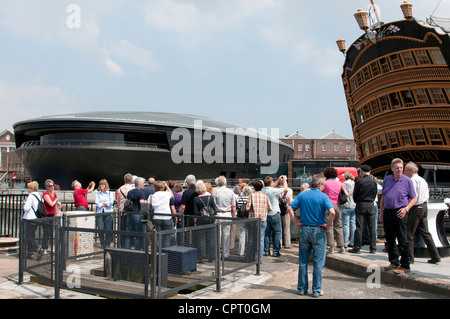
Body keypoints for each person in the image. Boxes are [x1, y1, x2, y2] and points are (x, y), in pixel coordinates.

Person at [286, 173, 335, 297]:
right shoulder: (323, 197)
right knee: (318, 263)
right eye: (323, 185)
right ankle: (316, 290)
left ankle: (302, 288)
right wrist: (328, 225)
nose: (324, 187)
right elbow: (332, 212)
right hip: (318, 230)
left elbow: (289, 208)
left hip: (305, 229)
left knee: (303, 261)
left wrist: (296, 222)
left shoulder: (302, 195)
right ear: (319, 185)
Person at [380, 158, 417, 274]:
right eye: (397, 168)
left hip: (400, 212)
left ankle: (405, 264)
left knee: (402, 239)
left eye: (401, 168)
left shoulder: (407, 181)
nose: (400, 170)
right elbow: (383, 197)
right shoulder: (387, 180)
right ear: (392, 169)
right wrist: (381, 212)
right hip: (388, 211)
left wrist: (406, 209)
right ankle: (394, 262)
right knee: (390, 238)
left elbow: (414, 198)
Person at [404, 162, 441, 264]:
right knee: (425, 232)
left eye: (406, 170)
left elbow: (413, 196)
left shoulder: (413, 181)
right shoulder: (422, 180)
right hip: (424, 206)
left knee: (409, 233)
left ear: (412, 171)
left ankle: (410, 258)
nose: (404, 172)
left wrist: (406, 207)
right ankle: (435, 256)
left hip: (416, 207)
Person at [349, 165, 378, 254]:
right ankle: (373, 247)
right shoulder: (373, 182)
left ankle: (357, 247)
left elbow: (355, 195)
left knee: (359, 227)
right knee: (372, 227)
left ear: (361, 171)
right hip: (370, 204)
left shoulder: (359, 181)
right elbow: (374, 193)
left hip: (361, 204)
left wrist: (357, 201)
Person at [246, 180, 272, 262]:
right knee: (261, 239)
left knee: (251, 238)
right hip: (262, 219)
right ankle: (259, 258)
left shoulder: (252, 196)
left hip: (253, 219)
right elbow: (270, 208)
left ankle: (251, 257)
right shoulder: (265, 196)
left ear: (254, 187)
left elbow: (247, 208)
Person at [262, 176, 287, 257]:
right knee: (277, 232)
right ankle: (275, 251)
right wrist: (284, 180)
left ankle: (266, 250)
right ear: (271, 183)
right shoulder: (273, 190)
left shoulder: (262, 190)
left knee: (267, 233)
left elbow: (270, 185)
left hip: (266, 214)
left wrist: (277, 180)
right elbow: (284, 188)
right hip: (275, 213)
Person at [193, 181, 218, 262]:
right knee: (211, 238)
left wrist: (195, 222)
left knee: (201, 239)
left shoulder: (196, 199)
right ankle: (212, 256)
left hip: (201, 219)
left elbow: (195, 212)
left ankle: (202, 257)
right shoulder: (210, 198)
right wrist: (215, 219)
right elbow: (215, 210)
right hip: (210, 219)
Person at [322, 167, 346, 254]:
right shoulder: (339, 183)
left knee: (329, 226)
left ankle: (331, 246)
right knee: (339, 225)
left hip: (328, 205)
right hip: (338, 205)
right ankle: (342, 246)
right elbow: (345, 193)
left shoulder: (324, 183)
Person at [212, 176, 236, 258]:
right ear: (226, 183)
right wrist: (234, 216)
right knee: (226, 235)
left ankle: (217, 252)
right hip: (228, 214)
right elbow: (233, 205)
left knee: (218, 235)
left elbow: (213, 205)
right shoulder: (231, 192)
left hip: (218, 214)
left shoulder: (215, 192)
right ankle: (226, 253)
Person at [151, 180, 176, 248]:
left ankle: (157, 253)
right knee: (166, 237)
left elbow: (150, 206)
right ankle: (166, 253)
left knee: (158, 236)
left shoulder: (152, 196)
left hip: (157, 217)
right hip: (166, 217)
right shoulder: (166, 194)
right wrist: (166, 186)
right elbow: (171, 194)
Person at [22, 181, 44, 260]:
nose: (27, 189)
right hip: (36, 218)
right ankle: (30, 253)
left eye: (28, 188)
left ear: (31, 189)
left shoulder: (30, 197)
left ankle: (38, 249)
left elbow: (26, 208)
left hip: (29, 218)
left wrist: (24, 204)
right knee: (32, 235)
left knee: (28, 236)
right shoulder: (39, 196)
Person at [125, 177, 147, 250]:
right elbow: (141, 203)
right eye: (143, 184)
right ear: (139, 184)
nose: (143, 185)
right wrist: (145, 202)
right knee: (138, 233)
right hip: (137, 213)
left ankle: (127, 249)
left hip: (129, 213)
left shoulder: (130, 192)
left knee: (129, 232)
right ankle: (137, 250)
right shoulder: (141, 193)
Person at [42, 179, 61, 253]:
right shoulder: (46, 194)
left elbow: (56, 202)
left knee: (50, 231)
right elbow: (51, 204)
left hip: (52, 214)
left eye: (53, 185)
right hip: (46, 214)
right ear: (47, 187)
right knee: (46, 231)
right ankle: (44, 248)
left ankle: (49, 246)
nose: (52, 187)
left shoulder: (54, 193)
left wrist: (58, 203)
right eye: (50, 186)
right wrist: (55, 201)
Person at [95, 179, 114, 248]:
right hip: (100, 212)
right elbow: (97, 203)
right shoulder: (97, 193)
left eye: (103, 184)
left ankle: (107, 243)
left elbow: (111, 202)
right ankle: (102, 243)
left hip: (108, 212)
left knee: (108, 228)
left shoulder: (109, 193)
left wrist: (103, 203)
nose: (101, 186)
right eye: (100, 184)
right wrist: (105, 203)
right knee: (100, 228)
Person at [116, 173, 134, 246]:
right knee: (130, 228)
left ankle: (122, 244)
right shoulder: (132, 189)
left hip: (122, 211)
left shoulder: (120, 189)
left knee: (122, 228)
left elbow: (117, 200)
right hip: (130, 212)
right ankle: (129, 243)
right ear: (131, 180)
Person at [341, 171, 356, 249]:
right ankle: (352, 242)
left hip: (346, 205)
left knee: (345, 225)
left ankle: (345, 242)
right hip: (354, 205)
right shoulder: (355, 183)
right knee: (353, 224)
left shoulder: (343, 184)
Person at [236, 185, 253, 256]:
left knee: (241, 234)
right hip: (248, 217)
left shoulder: (239, 199)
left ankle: (241, 251)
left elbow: (237, 207)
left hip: (241, 217)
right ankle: (249, 250)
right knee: (249, 234)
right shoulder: (251, 199)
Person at [278, 179, 294, 249]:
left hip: (278, 212)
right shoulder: (288, 193)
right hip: (286, 212)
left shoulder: (276, 192)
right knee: (286, 228)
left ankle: (279, 243)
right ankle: (287, 243)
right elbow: (292, 203)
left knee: (279, 229)